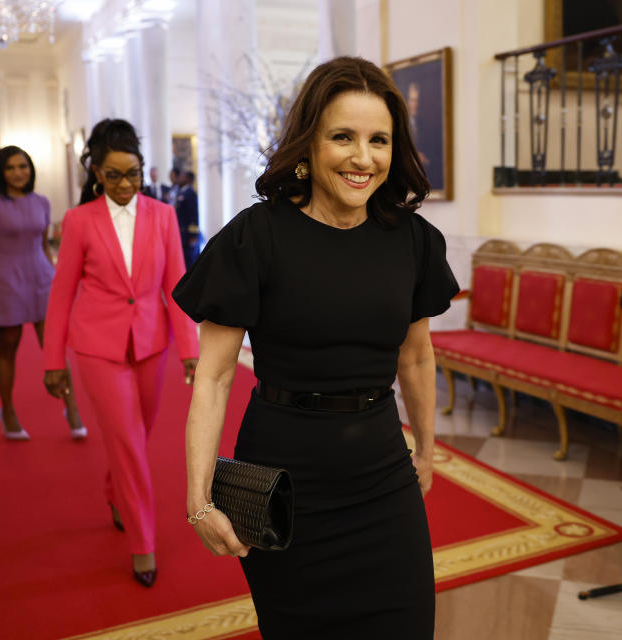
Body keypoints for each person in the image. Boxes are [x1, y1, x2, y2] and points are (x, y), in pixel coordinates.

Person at [172, 56, 458, 638]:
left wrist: (427, 449)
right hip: (285, 481)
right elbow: (216, 375)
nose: (364, 158)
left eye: (379, 140)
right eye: (343, 137)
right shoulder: (256, 237)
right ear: (309, 144)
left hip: (381, 475)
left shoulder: (413, 241)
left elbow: (416, 355)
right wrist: (198, 497)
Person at [42, 119, 199, 587]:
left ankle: (114, 491)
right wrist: (53, 361)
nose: (126, 184)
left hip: (151, 345)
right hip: (97, 348)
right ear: (97, 174)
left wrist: (189, 347)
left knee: (136, 434)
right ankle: (142, 543)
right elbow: (61, 294)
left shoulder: (163, 216)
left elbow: (175, 286)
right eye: (114, 175)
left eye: (134, 173)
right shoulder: (79, 221)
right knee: (129, 443)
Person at [0, 145, 85, 441]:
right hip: (5, 282)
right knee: (8, 346)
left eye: (23, 166)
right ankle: (7, 410)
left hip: (42, 279)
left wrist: (62, 283)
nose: (18, 173)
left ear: (30, 170)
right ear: (0, 172)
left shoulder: (42, 202)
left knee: (54, 346)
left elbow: (45, 245)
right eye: (10, 168)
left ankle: (71, 407)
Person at [174, 170, 200, 268]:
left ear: (188, 179)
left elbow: (193, 215)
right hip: (182, 234)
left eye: (182, 176)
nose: (179, 178)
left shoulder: (190, 193)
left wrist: (193, 235)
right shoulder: (181, 192)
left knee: (189, 262)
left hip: (187, 235)